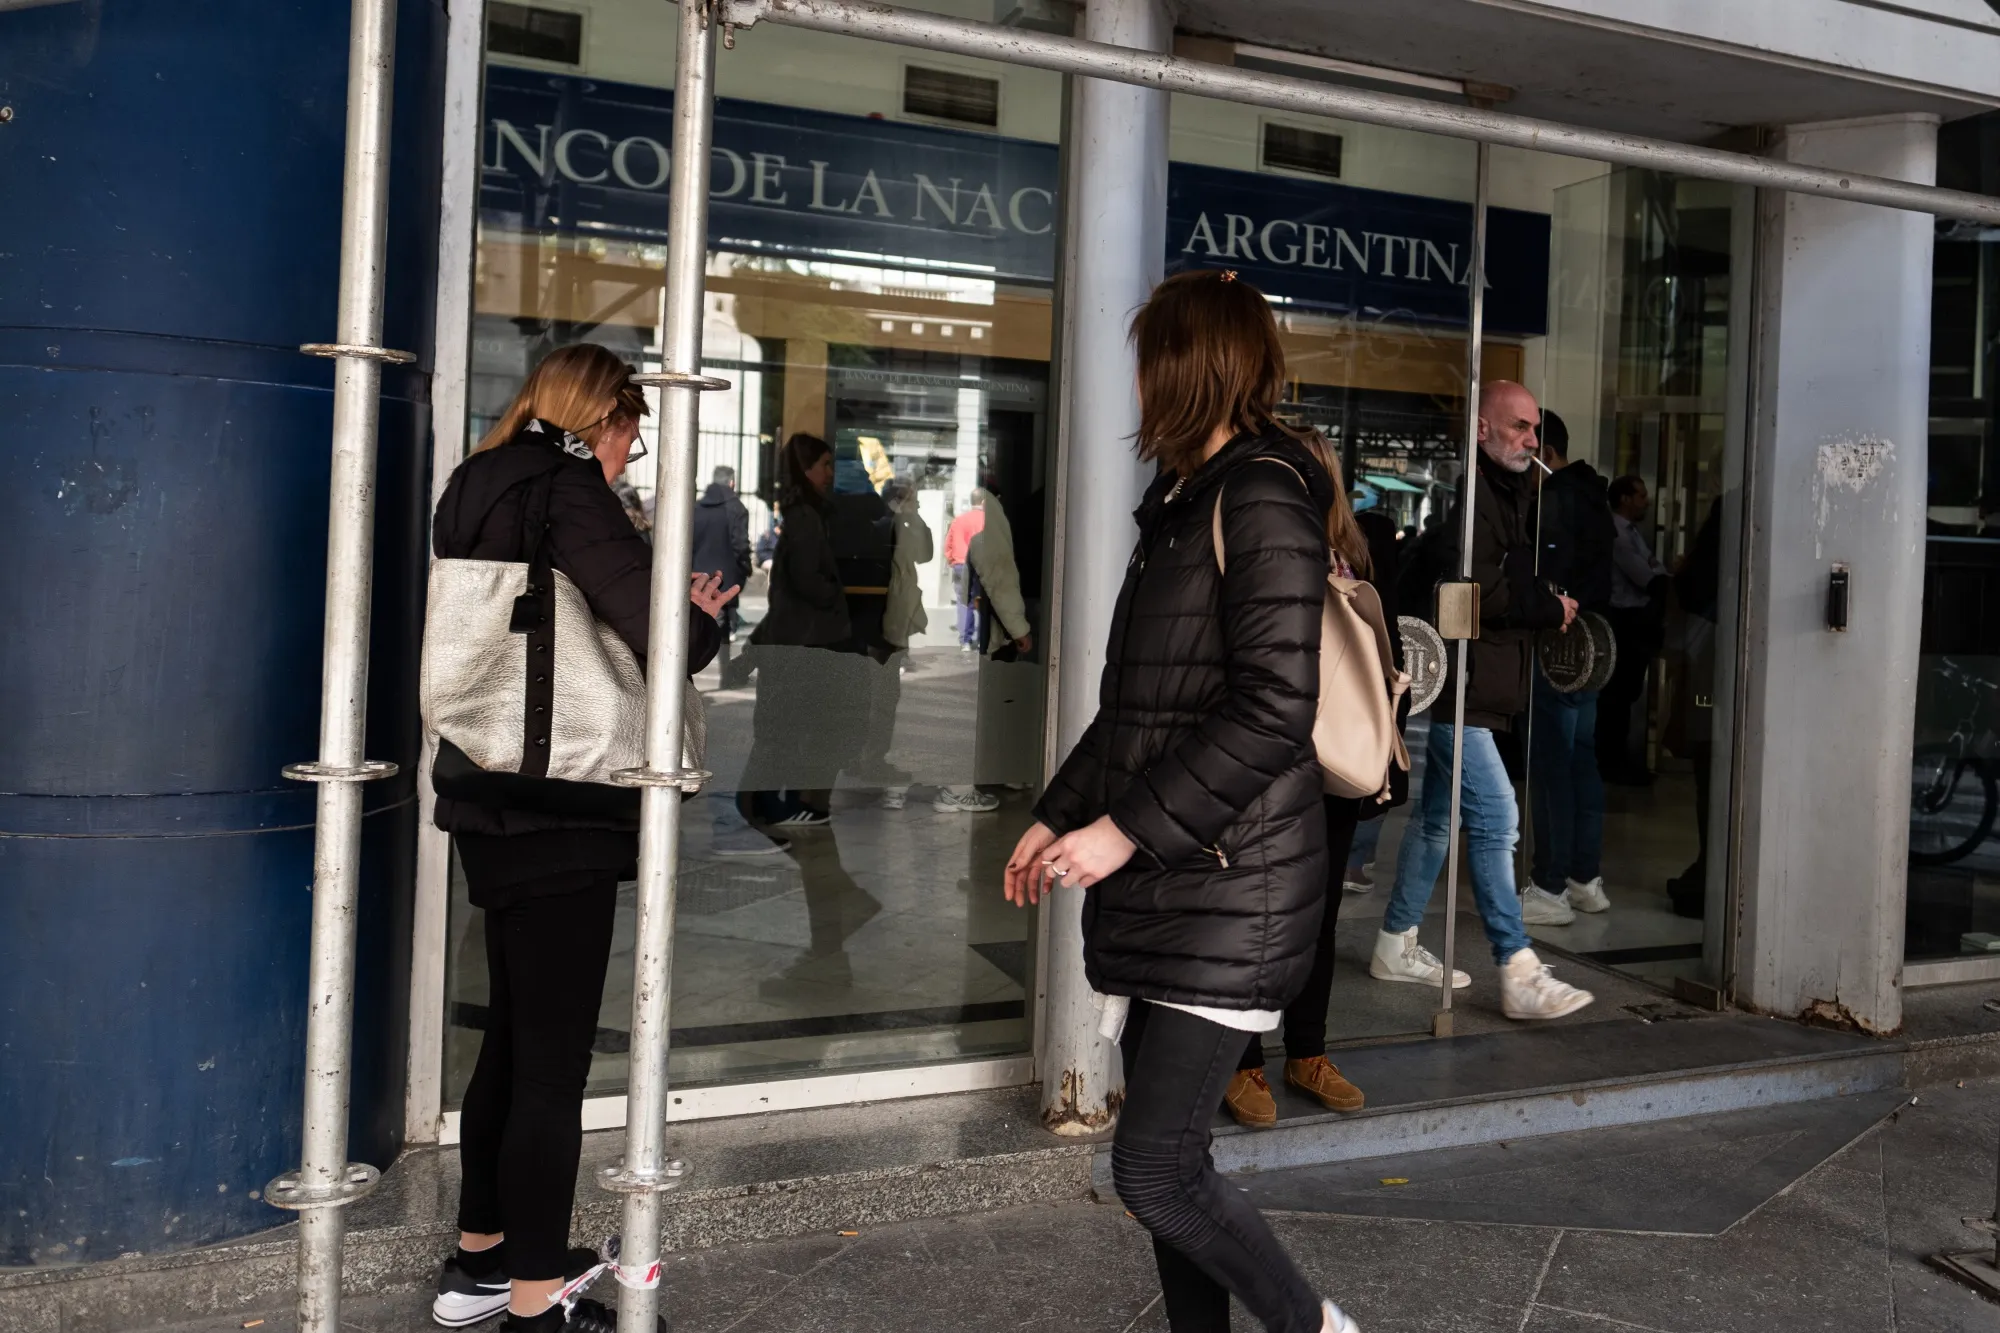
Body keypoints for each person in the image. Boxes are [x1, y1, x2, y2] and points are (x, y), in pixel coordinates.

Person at [1006, 270, 1362, 1333]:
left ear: (1182, 365)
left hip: (1233, 885)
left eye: (1146, 357)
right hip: (1182, 880)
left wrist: (1119, 831)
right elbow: (1137, 712)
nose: (1135, 379)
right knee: (1173, 1169)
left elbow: (1270, 710)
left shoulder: (1258, 496)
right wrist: (1054, 810)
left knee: (1153, 1171)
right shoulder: (1183, 503)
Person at [427, 344, 733, 1333]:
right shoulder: (566, 490)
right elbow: (661, 633)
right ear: (594, 414)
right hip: (560, 798)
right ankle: (530, 1304)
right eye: (629, 424)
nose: (634, 444)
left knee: (511, 1042)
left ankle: (480, 1257)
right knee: (551, 1065)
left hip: (486, 788)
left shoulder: (476, 481)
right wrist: (705, 619)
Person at [1372, 380, 1596, 1022]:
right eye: (1518, 426)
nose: (1531, 439)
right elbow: (1473, 592)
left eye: (1532, 429)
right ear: (1481, 430)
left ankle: (1394, 941)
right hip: (1460, 690)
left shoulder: (1509, 495)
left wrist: (1541, 596)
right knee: (1497, 819)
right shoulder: (1477, 498)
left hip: (1473, 685)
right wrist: (1544, 606)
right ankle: (1517, 966)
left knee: (1439, 821)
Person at [1221, 456, 1397, 1131]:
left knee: (1316, 915)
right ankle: (1243, 1060)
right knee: (1259, 912)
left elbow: (1382, 662)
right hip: (1264, 763)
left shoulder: (1352, 556)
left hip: (1335, 763)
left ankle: (1308, 1052)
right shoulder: (1248, 547)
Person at [1520, 410, 1616, 927]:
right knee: (1581, 762)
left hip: (1559, 649)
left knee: (1552, 766)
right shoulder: (1596, 495)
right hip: (1592, 650)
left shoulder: (1556, 498)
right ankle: (1584, 879)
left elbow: (1549, 578)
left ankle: (1549, 885)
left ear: (1547, 453)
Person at [744, 433, 854, 829]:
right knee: (790, 729)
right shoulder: (806, 518)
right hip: (805, 641)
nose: (830, 473)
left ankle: (770, 803)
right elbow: (808, 580)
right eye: (824, 464)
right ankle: (764, 806)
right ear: (806, 469)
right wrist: (835, 593)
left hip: (798, 639)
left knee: (788, 727)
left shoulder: (804, 514)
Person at [1598, 474, 1669, 784]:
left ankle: (1619, 761)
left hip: (1633, 621)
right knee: (1618, 695)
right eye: (1640, 495)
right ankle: (1613, 763)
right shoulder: (1618, 534)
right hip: (1624, 620)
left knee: (1625, 695)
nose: (1646, 501)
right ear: (1625, 499)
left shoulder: (1632, 532)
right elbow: (1650, 576)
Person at [692, 465, 751, 642]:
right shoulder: (736, 508)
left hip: (698, 577)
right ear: (732, 482)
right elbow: (740, 545)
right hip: (726, 577)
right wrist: (745, 568)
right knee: (721, 630)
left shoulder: (696, 508)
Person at [944, 498, 986, 652]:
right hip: (982, 565)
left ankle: (965, 641)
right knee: (984, 602)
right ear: (983, 501)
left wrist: (952, 560)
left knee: (964, 602)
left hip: (960, 564)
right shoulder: (988, 521)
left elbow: (948, 544)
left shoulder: (958, 521)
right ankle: (983, 639)